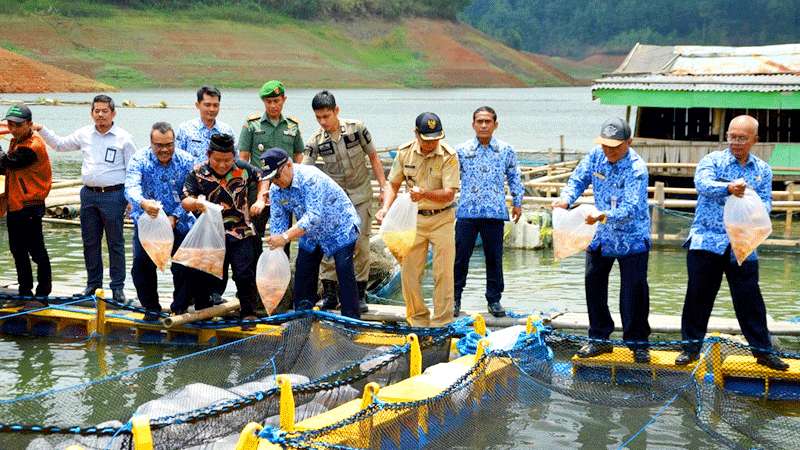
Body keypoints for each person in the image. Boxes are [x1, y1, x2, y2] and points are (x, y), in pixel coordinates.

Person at [676, 115, 789, 370]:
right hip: (707, 240)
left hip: (743, 243)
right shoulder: (712, 161)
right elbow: (702, 184)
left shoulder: (762, 170)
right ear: (726, 136)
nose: (736, 142)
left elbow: (766, 202)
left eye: (742, 138)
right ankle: (690, 349)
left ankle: (763, 352)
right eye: (732, 136)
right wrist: (729, 188)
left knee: (750, 300)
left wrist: (756, 210)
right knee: (698, 297)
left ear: (754, 140)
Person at [553, 117, 651, 363]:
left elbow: (631, 206)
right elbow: (578, 179)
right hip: (600, 235)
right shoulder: (596, 156)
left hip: (631, 236)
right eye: (606, 145)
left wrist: (604, 214)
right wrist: (565, 198)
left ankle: (638, 342)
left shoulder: (637, 168)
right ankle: (599, 338)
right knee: (593, 283)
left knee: (634, 291)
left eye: (615, 147)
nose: (609, 151)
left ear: (629, 142)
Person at [34, 95, 136, 303]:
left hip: (114, 195)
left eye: (104, 111)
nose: (100, 115)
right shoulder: (84, 134)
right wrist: (41, 129)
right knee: (90, 242)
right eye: (96, 111)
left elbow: (133, 170)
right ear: (91, 113)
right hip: (89, 195)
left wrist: (131, 199)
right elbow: (60, 145)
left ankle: (117, 288)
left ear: (113, 113)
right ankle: (93, 285)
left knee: (115, 243)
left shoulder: (123, 138)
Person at [303, 90, 386, 314]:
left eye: (326, 116)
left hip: (360, 194)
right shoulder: (315, 141)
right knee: (330, 244)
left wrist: (384, 187)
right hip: (335, 200)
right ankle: (330, 293)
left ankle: (359, 293)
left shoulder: (356, 129)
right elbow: (306, 172)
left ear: (336, 111)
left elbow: (374, 157)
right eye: (318, 117)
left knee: (360, 243)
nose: (323, 121)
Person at [377, 113, 460, 328]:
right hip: (414, 220)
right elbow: (393, 184)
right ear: (416, 134)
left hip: (442, 219)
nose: (432, 143)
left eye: (435, 139)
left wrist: (425, 194)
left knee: (444, 273)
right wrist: (386, 208)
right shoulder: (405, 153)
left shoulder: (449, 156)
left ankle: (442, 322)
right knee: (410, 271)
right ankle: (418, 320)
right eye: (427, 139)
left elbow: (450, 193)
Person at [263, 148, 362, 319]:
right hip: (311, 235)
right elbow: (278, 223)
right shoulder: (275, 190)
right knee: (303, 272)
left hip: (339, 227)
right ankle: (302, 318)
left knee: (343, 270)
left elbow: (313, 216)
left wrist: (286, 237)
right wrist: (275, 247)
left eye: (277, 176)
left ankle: (351, 320)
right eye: (271, 179)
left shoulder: (310, 178)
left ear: (288, 165)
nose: (275, 182)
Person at [181, 133, 265, 330]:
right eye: (217, 160)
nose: (222, 165)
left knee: (244, 273)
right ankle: (203, 310)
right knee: (206, 273)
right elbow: (185, 199)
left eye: (227, 160)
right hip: (211, 232)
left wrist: (261, 198)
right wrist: (196, 203)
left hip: (240, 230)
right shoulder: (198, 172)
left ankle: (249, 313)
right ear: (208, 155)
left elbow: (262, 177)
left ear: (234, 156)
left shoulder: (243, 169)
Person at [454, 106, 524, 318]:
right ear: (473, 124)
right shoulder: (462, 150)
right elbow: (449, 178)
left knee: (494, 258)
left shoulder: (506, 150)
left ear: (495, 124)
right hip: (467, 212)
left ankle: (494, 299)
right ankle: (454, 298)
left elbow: (514, 176)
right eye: (479, 121)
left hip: (494, 212)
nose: (484, 125)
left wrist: (518, 202)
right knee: (460, 257)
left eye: (488, 122)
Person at [125, 122, 197, 320]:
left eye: (169, 144)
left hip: (179, 221)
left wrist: (174, 215)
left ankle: (180, 307)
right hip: (149, 223)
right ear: (151, 142)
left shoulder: (186, 160)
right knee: (141, 265)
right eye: (159, 145)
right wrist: (142, 203)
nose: (165, 150)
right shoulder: (139, 160)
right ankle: (151, 308)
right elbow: (130, 187)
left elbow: (191, 193)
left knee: (185, 265)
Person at [238, 80, 303, 249]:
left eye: (276, 101)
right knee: (254, 233)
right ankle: (256, 271)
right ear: (263, 102)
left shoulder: (292, 125)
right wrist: (242, 189)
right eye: (268, 101)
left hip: (284, 186)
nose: (273, 105)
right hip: (258, 185)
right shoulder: (252, 124)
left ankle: (282, 272)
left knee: (283, 235)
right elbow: (243, 159)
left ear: (284, 99)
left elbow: (298, 157)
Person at [0, 104, 52, 306]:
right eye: (10, 124)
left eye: (17, 125)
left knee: (36, 250)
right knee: (17, 249)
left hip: (30, 204)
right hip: (16, 204)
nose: (12, 128)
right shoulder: (17, 141)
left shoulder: (32, 146)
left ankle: (42, 294)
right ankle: (24, 291)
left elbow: (6, 163)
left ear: (29, 124)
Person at [175, 86, 236, 165]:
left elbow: (235, 159)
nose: (212, 109)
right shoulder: (185, 129)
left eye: (215, 105)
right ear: (197, 105)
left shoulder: (227, 130)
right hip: (193, 176)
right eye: (207, 105)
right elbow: (177, 158)